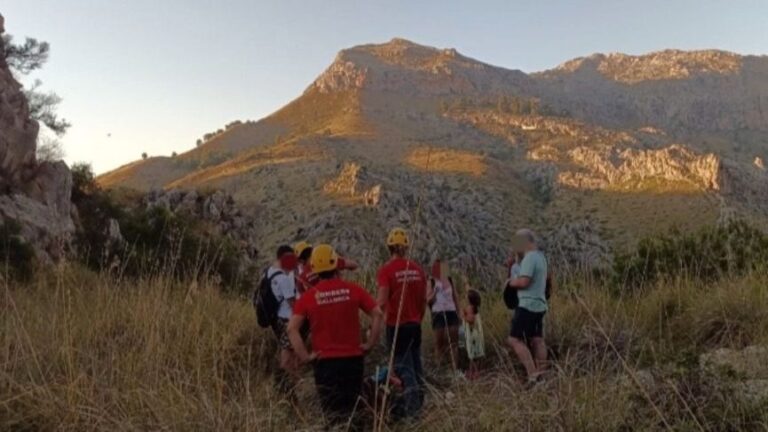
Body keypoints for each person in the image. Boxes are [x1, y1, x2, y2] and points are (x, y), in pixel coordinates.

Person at [287, 244, 383, 426]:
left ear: (314, 268)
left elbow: (292, 329)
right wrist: (370, 343)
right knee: (354, 412)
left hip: (325, 364)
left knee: (332, 416)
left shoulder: (308, 297)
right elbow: (377, 314)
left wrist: (306, 357)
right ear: (336, 266)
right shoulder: (353, 289)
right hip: (353, 360)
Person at [377, 227, 427, 420]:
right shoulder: (417, 269)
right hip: (415, 324)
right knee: (416, 365)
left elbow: (381, 302)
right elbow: (423, 300)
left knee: (404, 370)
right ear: (405, 247)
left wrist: (377, 322)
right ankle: (419, 403)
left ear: (389, 247)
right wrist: (418, 318)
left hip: (397, 327)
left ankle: (412, 414)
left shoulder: (386, 271)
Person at [505, 228, 549, 385]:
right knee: (537, 340)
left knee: (514, 340)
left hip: (527, 305)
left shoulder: (529, 258)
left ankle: (533, 375)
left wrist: (510, 282)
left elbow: (524, 282)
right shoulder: (541, 257)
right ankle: (542, 376)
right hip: (540, 304)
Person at [267, 245, 301, 382]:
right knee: (287, 351)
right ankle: (287, 380)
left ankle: (289, 378)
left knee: (287, 348)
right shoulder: (283, 279)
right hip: (287, 319)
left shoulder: (270, 272)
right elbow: (292, 303)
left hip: (276, 318)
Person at [426, 259, 460, 371]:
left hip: (451, 311)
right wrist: (435, 292)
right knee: (439, 343)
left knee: (453, 343)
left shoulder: (449, 279)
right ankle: (439, 369)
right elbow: (428, 300)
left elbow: (455, 297)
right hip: (438, 313)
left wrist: (458, 313)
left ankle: (455, 369)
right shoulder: (431, 281)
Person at [294, 241, 359, 295]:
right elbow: (354, 265)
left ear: (300, 261)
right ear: (312, 250)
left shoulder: (301, 278)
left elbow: (304, 297)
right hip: (341, 296)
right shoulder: (329, 261)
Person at [462, 288, 485, 380]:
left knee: (472, 355)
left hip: (472, 335)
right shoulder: (475, 308)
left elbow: (471, 320)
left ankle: (473, 372)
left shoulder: (469, 308)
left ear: (469, 299)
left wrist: (463, 315)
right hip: (477, 334)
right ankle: (476, 371)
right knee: (477, 354)